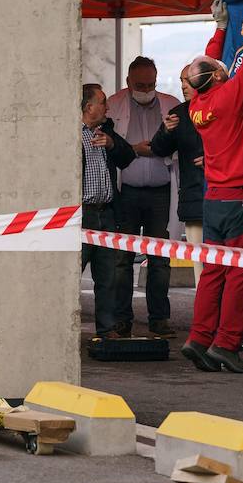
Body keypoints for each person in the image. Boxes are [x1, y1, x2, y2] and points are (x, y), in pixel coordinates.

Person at [179, 0, 243, 374]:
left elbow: (201, 69)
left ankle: (199, 338)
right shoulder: (231, 96)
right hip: (241, 198)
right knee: (239, 273)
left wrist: (219, 29)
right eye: (219, 67)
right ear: (218, 76)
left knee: (213, 271)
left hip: (213, 198)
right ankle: (227, 345)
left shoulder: (198, 105)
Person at [109, 57, 182, 338]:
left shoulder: (171, 104)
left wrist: (160, 150)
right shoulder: (114, 105)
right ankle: (121, 319)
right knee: (122, 259)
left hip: (161, 193)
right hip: (126, 192)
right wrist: (136, 149)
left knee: (160, 260)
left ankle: (159, 319)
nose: (146, 89)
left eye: (150, 84)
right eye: (140, 85)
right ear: (128, 83)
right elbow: (109, 145)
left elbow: (180, 143)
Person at [80, 83, 136, 339]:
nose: (107, 107)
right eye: (103, 102)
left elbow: (127, 157)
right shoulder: (69, 134)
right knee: (71, 274)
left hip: (107, 214)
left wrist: (112, 144)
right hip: (81, 216)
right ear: (89, 106)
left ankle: (106, 329)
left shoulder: (107, 129)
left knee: (107, 277)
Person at [150, 68, 205, 279]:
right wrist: (166, 131)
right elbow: (158, 149)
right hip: (193, 199)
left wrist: (214, 161)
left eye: (188, 81)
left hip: (225, 201)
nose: (183, 86)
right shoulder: (179, 114)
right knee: (200, 270)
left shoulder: (223, 111)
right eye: (182, 81)